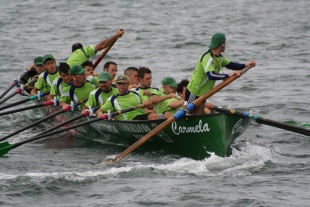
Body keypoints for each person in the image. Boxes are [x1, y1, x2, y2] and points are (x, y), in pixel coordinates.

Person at [186, 33, 256, 115]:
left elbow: (233, 65)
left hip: (203, 94)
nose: (225, 45)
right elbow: (211, 75)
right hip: (193, 92)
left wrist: (247, 64)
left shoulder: (220, 58)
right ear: (222, 44)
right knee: (187, 114)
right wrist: (227, 75)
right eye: (225, 43)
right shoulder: (207, 58)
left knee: (197, 116)